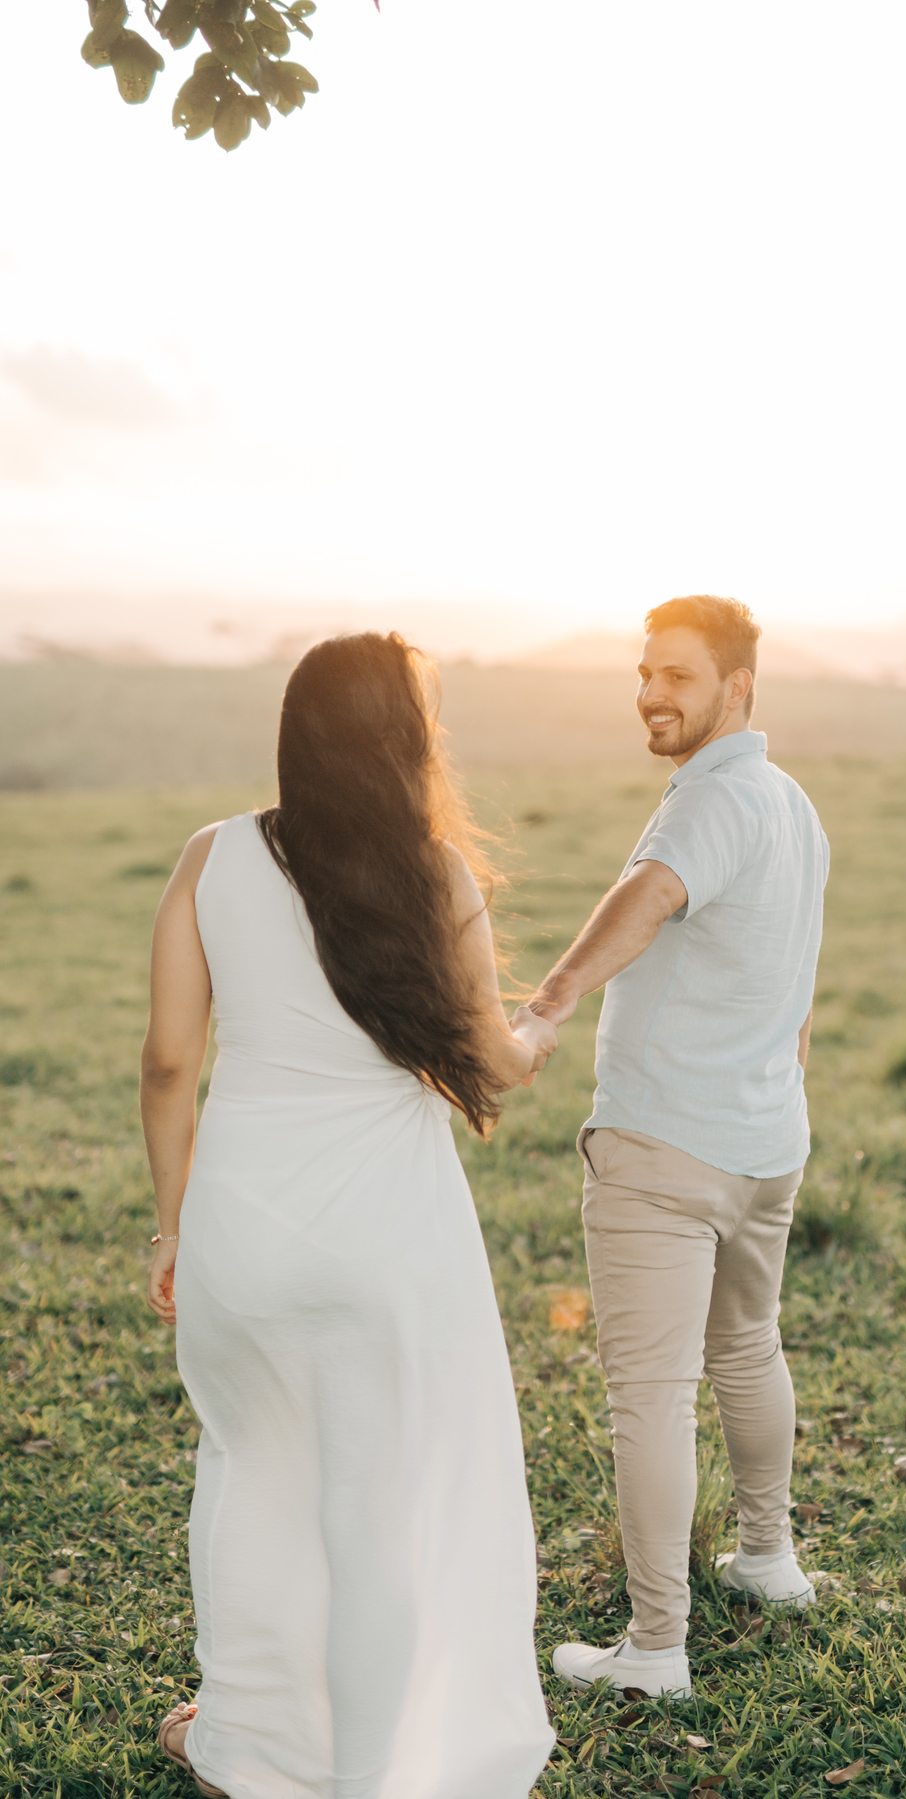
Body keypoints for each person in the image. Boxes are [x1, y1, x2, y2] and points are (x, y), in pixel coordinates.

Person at [141, 633, 558, 1799]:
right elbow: (489, 1057)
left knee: (248, 1472)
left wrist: (173, 1225)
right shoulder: (438, 875)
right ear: (404, 740)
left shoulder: (211, 856)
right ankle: (383, 1769)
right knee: (380, 1503)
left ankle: (245, 1745)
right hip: (386, 1230)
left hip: (243, 1220)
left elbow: (171, 1062)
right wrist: (537, 1038)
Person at [527, 594, 829, 1700]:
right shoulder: (797, 807)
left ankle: (655, 1646)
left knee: (649, 1394)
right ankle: (768, 1558)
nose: (655, 693)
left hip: (665, 1144)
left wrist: (549, 1002)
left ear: (738, 688)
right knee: (747, 1347)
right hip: (765, 1141)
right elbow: (795, 993)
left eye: (680, 676)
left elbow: (645, 897)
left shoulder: (709, 800)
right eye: (646, 671)